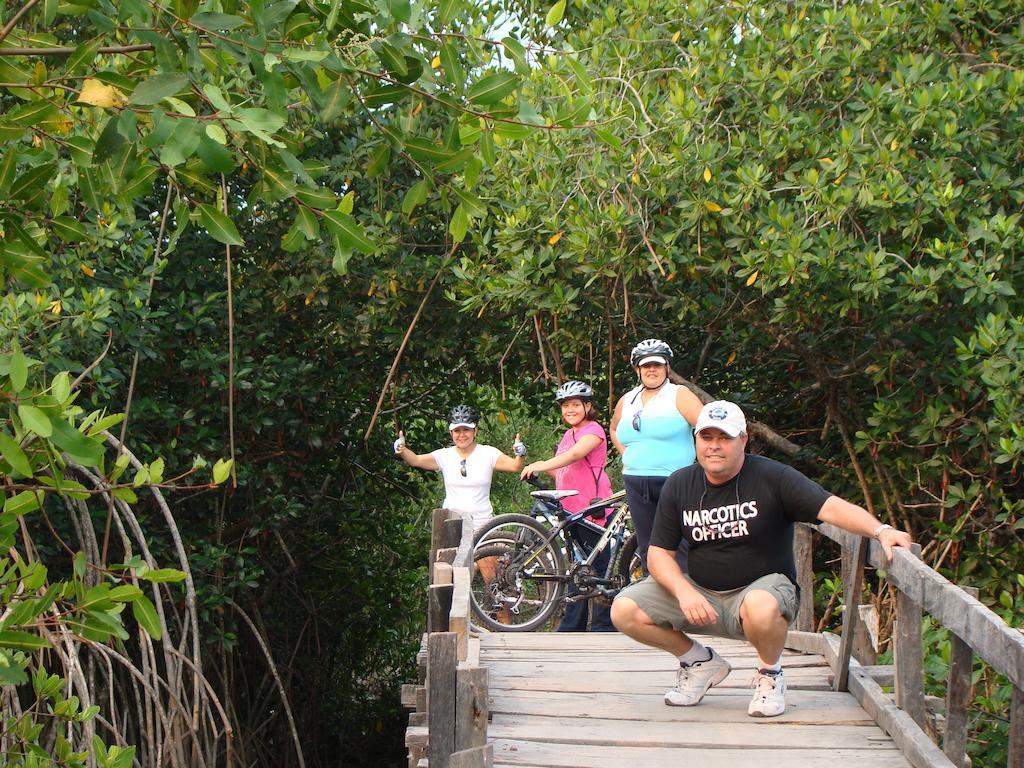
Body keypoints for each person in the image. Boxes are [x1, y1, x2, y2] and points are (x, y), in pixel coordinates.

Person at [610, 400, 914, 717]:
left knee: (760, 605)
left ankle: (770, 675)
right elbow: (658, 552)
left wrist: (881, 530)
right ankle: (699, 663)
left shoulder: (774, 477)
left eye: (724, 438)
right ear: (695, 440)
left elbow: (831, 508)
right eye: (706, 437)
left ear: (743, 440)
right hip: (702, 592)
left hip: (761, 593)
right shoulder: (680, 483)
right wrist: (683, 591)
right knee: (625, 609)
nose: (714, 446)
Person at [520, 380, 616, 632]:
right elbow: (564, 468)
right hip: (571, 507)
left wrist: (541, 463)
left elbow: (574, 455)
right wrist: (540, 472)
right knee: (580, 567)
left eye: (575, 405)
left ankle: (604, 626)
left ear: (587, 406)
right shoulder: (568, 434)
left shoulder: (593, 430)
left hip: (591, 505)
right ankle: (572, 626)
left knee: (598, 566)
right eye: (565, 406)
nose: (570, 410)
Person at [609, 339, 704, 571]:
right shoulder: (628, 400)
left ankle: (685, 597)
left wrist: (707, 467)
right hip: (635, 481)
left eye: (657, 365)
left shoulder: (679, 395)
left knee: (678, 544)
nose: (652, 369)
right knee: (648, 546)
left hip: (674, 480)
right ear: (637, 369)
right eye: (645, 365)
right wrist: (628, 454)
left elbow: (707, 429)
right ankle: (654, 597)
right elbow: (614, 429)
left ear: (667, 368)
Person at [394, 404, 527, 531]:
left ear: (475, 431)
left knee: (488, 554)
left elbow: (515, 466)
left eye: (466, 430)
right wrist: (402, 449)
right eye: (457, 430)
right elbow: (415, 460)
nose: (462, 435)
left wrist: (521, 453)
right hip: (451, 524)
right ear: (451, 432)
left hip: (482, 524)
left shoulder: (488, 453)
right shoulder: (444, 455)